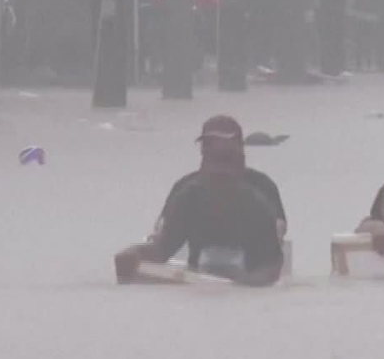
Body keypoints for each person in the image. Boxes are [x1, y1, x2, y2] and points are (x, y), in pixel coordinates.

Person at [115, 116, 286, 286]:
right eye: (209, 146)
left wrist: (247, 285)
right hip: (198, 279)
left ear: (239, 158)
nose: (220, 176)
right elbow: (162, 249)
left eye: (225, 158)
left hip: (250, 277)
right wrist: (133, 254)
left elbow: (272, 265)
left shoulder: (259, 199)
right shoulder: (187, 196)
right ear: (203, 163)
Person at [153, 115, 286, 241]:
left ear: (239, 146)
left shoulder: (263, 185)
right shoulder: (184, 187)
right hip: (192, 264)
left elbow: (279, 227)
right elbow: (161, 229)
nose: (213, 149)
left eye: (222, 144)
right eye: (208, 144)